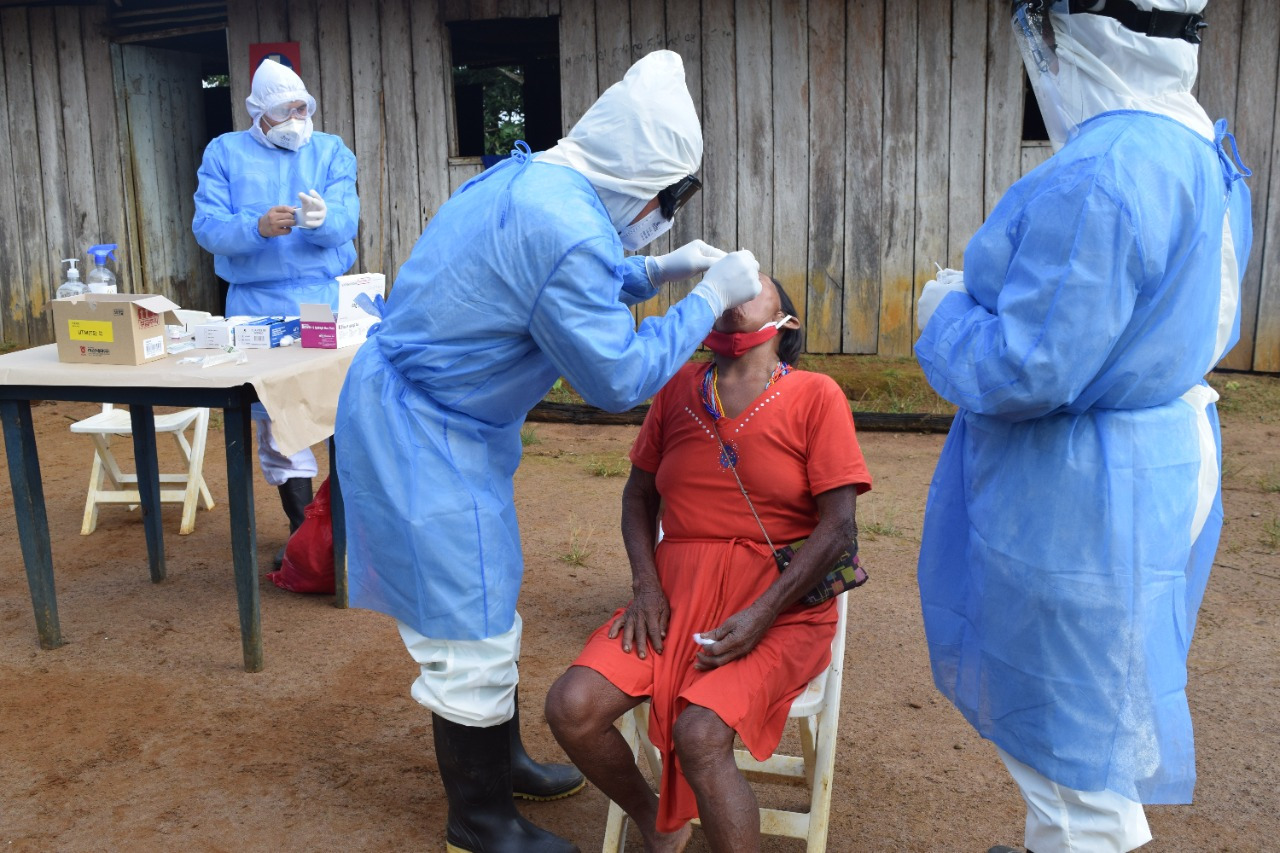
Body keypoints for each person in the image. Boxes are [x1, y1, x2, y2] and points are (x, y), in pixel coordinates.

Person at [333, 50, 762, 853]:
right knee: (468, 628)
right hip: (424, 434)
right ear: (636, 180)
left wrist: (656, 270)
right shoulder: (565, 227)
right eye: (668, 199)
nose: (665, 213)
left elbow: (553, 277)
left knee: (488, 599)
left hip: (439, 418)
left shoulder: (534, 180)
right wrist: (705, 297)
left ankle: (502, 761)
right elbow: (616, 375)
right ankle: (480, 819)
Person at [913, 2, 1252, 851]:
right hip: (1157, 461)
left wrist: (943, 312)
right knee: (1104, 714)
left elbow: (1028, 366)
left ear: (1086, 32)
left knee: (1070, 757)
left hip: (1082, 493)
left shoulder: (1102, 169)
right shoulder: (1201, 147)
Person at [545, 274, 872, 852]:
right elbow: (638, 497)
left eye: (753, 285)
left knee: (700, 734)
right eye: (728, 284)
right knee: (571, 707)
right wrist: (646, 588)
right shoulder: (677, 388)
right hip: (671, 602)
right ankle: (655, 821)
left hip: (779, 609)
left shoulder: (816, 395)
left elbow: (839, 527)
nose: (735, 291)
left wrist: (763, 614)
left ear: (786, 322)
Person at [192, 58, 360, 567]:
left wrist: (326, 220)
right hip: (255, 306)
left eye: (302, 109)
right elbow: (207, 227)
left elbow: (348, 218)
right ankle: (303, 535)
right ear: (258, 111)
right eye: (285, 111)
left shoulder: (330, 150)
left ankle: (346, 530)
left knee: (337, 408)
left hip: (319, 301)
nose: (296, 120)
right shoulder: (224, 152)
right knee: (276, 421)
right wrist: (256, 228)